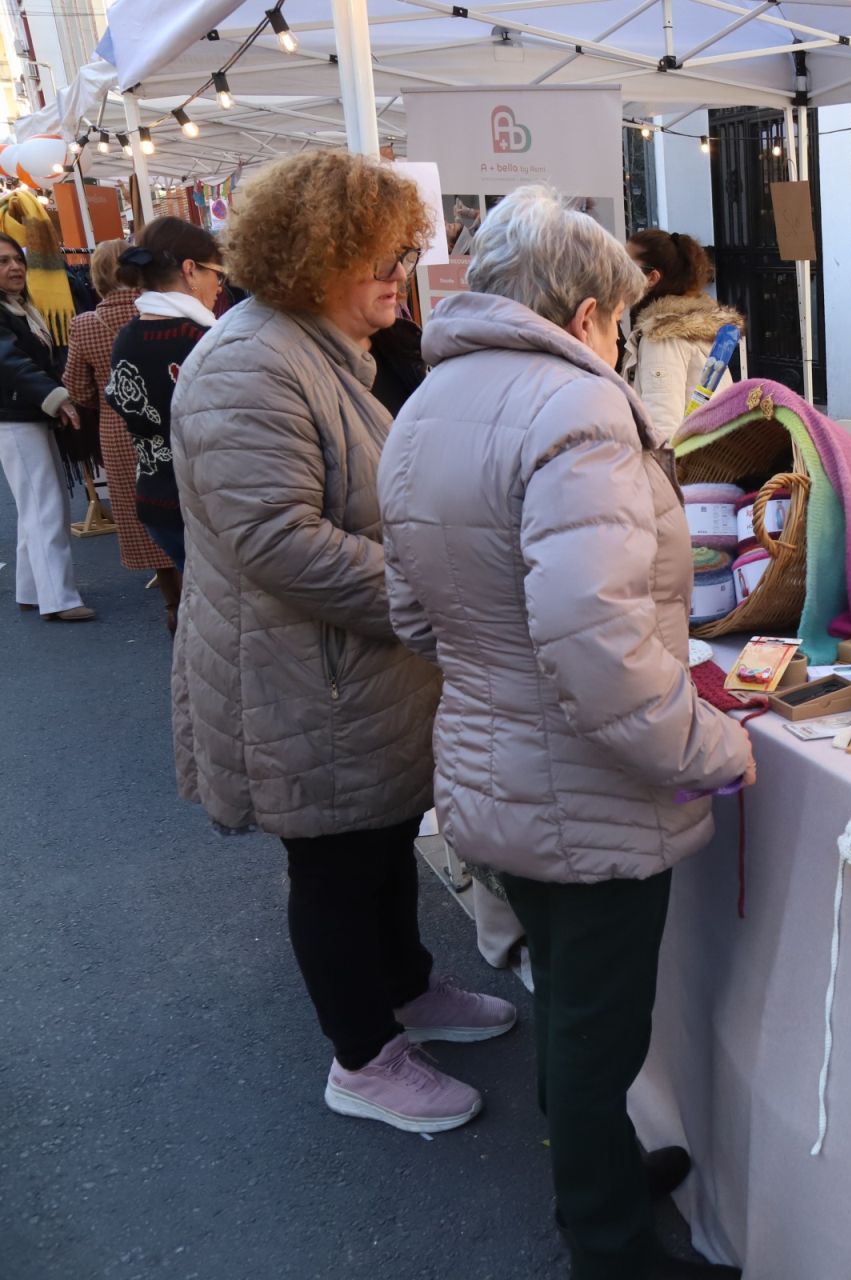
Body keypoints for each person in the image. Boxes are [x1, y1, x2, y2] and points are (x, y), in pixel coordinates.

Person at [382, 185, 754, 1280]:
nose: (621, 338)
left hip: (492, 758)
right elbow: (600, 649)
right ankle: (609, 1243)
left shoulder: (429, 402)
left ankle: (601, 1181)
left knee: (569, 1005)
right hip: (591, 784)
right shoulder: (578, 409)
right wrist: (710, 750)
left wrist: (500, 665)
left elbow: (413, 611)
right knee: (599, 1029)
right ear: (589, 311)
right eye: (621, 318)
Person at [170, 150, 514, 1135]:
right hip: (299, 674)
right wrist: (435, 589)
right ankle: (361, 1056)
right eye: (383, 257)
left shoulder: (312, 347)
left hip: (346, 669)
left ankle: (405, 989)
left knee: (380, 835)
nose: (401, 274)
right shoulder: (252, 362)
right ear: (316, 257)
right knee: (333, 861)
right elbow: (280, 541)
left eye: (402, 252)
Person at [66, 239, 179, 626]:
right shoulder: (162, 312)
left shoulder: (83, 325)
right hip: (166, 421)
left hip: (117, 430)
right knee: (180, 506)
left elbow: (77, 388)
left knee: (145, 513)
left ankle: (172, 604)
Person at [104, 217, 224, 574]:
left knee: (199, 596)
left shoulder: (127, 337)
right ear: (190, 270)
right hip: (206, 505)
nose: (220, 285)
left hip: (155, 501)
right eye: (217, 273)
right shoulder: (203, 340)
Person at [0, 232, 92, 622]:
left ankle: (33, 590)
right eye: (3, 261)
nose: (15, 267)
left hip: (25, 415)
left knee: (37, 505)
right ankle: (59, 598)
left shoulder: (19, 306)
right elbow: (11, 362)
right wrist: (58, 397)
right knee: (45, 505)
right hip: (16, 418)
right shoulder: (9, 311)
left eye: (17, 259)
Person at [624, 229, 742, 433]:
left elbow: (663, 426)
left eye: (625, 265)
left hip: (687, 453)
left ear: (652, 277)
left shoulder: (663, 336)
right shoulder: (692, 326)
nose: (618, 273)